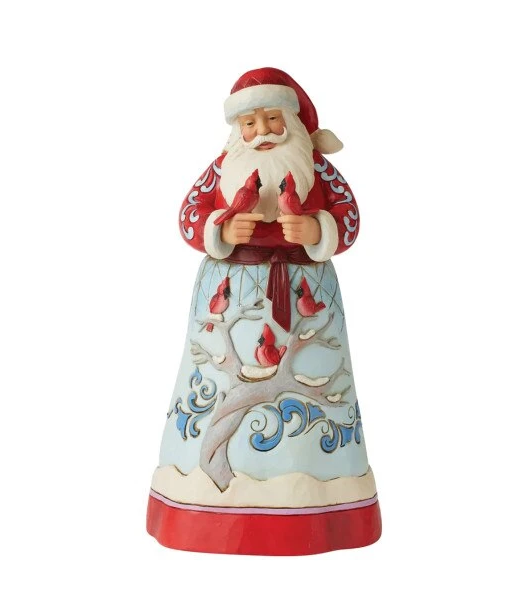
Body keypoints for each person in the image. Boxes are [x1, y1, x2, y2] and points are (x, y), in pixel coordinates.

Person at [147, 67, 382, 555]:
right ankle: (208, 492)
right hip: (231, 289)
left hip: (305, 289)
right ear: (237, 130)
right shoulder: (222, 166)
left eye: (272, 119)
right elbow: (189, 214)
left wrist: (318, 230)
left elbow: (349, 217)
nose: (262, 133)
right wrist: (219, 229)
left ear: (291, 121)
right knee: (222, 379)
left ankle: (319, 501)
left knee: (313, 379)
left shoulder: (316, 167)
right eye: (250, 123)